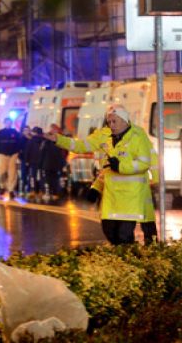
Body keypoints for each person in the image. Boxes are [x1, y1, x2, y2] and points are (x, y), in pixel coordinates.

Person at [46, 105, 153, 245]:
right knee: (109, 231)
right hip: (111, 199)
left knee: (124, 236)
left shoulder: (138, 136)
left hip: (130, 199)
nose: (111, 125)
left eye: (114, 122)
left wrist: (121, 166)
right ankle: (122, 259)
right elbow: (80, 146)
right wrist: (58, 140)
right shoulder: (104, 135)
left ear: (125, 120)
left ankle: (127, 261)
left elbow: (144, 163)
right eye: (109, 122)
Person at [0, 118, 22, 199]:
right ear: (4, 123)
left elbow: (19, 143)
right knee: (2, 172)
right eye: (7, 123)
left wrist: (16, 152)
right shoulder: (0, 132)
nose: (8, 124)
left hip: (13, 155)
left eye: (10, 123)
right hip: (2, 155)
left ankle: (11, 190)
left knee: (12, 173)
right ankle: (2, 187)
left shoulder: (15, 132)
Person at [39, 124, 68, 202]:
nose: (53, 131)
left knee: (53, 179)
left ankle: (54, 193)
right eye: (52, 129)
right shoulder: (47, 141)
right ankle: (49, 193)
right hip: (49, 163)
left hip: (54, 163)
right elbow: (42, 152)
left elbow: (64, 153)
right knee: (48, 179)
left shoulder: (59, 140)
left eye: (54, 129)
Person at [23, 127, 45, 197]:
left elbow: (27, 151)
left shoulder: (31, 140)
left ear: (35, 133)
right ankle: (42, 190)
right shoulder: (44, 141)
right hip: (42, 162)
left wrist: (26, 161)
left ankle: (33, 190)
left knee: (33, 176)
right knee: (42, 177)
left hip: (33, 161)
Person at [19, 126, 32, 194]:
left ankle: (29, 189)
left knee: (30, 175)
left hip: (32, 159)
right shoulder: (21, 139)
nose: (26, 131)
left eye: (27, 130)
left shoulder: (32, 139)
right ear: (23, 132)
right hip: (24, 159)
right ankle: (23, 188)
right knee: (23, 174)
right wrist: (21, 158)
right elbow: (19, 149)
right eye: (25, 130)